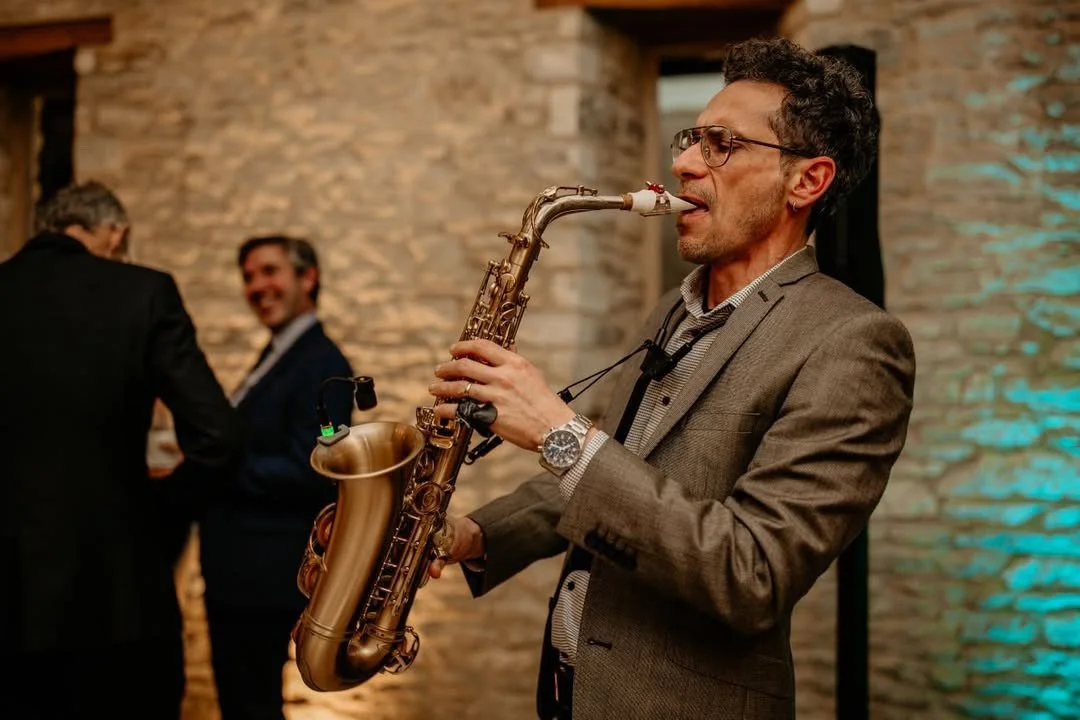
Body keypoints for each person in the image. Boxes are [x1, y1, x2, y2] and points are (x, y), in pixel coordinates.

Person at [426, 37, 916, 720]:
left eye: (721, 144)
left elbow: (752, 573)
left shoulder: (854, 343)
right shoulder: (673, 309)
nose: (683, 162)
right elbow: (615, 473)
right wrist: (470, 535)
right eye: (692, 139)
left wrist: (556, 433)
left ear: (806, 181)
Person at [0, 180, 240, 719]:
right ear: (117, 232)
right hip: (115, 600)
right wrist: (155, 514)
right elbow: (217, 437)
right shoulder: (143, 293)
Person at [199, 235, 354, 720]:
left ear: (307, 278)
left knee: (252, 706)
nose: (256, 286)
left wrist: (216, 466)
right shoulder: (280, 354)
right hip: (240, 572)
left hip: (262, 577)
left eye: (269, 272)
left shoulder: (324, 363)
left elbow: (315, 468)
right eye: (248, 276)